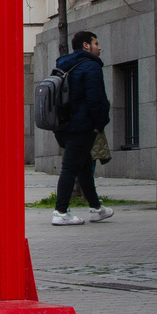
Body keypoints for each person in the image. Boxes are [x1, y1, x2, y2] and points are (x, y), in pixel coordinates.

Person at [52, 30, 115, 226]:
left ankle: (96, 208)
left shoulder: (65, 65)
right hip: (83, 125)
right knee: (70, 167)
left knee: (85, 167)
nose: (99, 47)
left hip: (64, 124)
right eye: (96, 43)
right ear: (86, 45)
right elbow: (96, 99)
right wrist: (98, 124)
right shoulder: (90, 66)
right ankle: (61, 211)